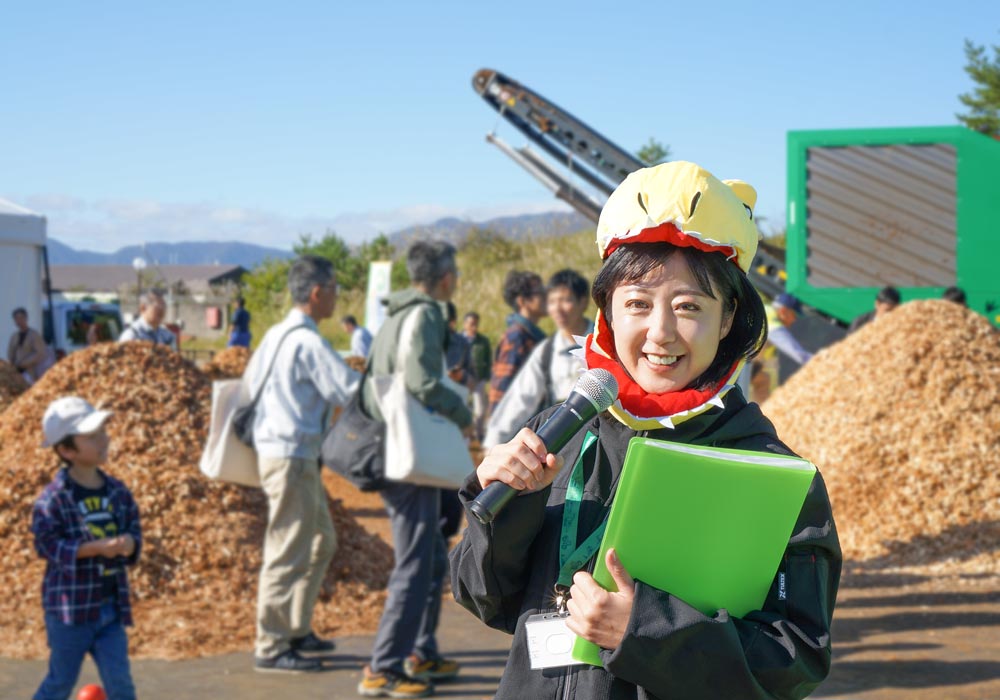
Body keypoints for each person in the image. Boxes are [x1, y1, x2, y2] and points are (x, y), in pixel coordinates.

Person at [450, 161, 841, 699]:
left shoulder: (770, 471)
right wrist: (506, 505)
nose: (660, 333)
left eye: (688, 307)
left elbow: (795, 657)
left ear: (728, 318)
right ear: (608, 310)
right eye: (637, 303)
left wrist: (645, 631)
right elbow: (480, 595)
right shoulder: (557, 432)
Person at [358, 240, 472, 698]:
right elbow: (423, 382)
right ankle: (383, 667)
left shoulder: (396, 312)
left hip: (399, 451)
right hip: (410, 458)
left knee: (426, 559)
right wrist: (463, 414)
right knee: (413, 563)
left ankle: (418, 650)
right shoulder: (425, 313)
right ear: (445, 278)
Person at [247, 255, 361, 673]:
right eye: (334, 288)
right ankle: (272, 644)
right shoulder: (307, 342)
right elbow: (347, 389)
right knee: (287, 548)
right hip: (290, 455)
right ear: (318, 292)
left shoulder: (275, 336)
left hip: (286, 453)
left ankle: (294, 626)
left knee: (320, 541)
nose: (336, 297)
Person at [31, 397, 142, 700]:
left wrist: (130, 544)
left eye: (103, 431)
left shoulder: (118, 492)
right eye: (92, 437)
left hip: (110, 609)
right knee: (60, 684)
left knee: (121, 687)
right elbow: (47, 546)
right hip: (70, 613)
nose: (103, 439)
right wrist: (95, 548)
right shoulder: (52, 500)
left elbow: (134, 530)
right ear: (66, 451)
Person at [483, 268, 594, 448]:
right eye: (551, 302)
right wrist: (493, 445)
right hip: (562, 447)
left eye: (566, 300)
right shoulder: (545, 352)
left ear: (583, 302)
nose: (557, 309)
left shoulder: (607, 344)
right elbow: (520, 399)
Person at [487, 270, 548, 415]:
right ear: (522, 301)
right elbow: (501, 393)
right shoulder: (517, 337)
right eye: (539, 292)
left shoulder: (531, 335)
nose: (547, 296)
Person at [462, 311, 491, 441]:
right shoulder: (457, 341)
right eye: (471, 323)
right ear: (465, 324)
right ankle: (464, 434)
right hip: (461, 380)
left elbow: (488, 360)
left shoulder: (483, 341)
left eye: (475, 323)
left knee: (480, 410)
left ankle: (479, 435)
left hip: (478, 379)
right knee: (463, 407)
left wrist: (485, 377)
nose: (473, 326)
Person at [767, 292, 813, 365]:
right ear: (783, 311)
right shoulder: (774, 325)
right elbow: (799, 355)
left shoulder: (764, 309)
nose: (794, 320)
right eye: (794, 315)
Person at [8, 307, 50, 383]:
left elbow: (40, 353)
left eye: (21, 318)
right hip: (17, 373)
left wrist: (25, 363)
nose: (19, 321)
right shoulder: (14, 336)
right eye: (16, 318)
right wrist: (13, 366)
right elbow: (11, 353)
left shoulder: (34, 335)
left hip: (30, 372)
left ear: (26, 318)